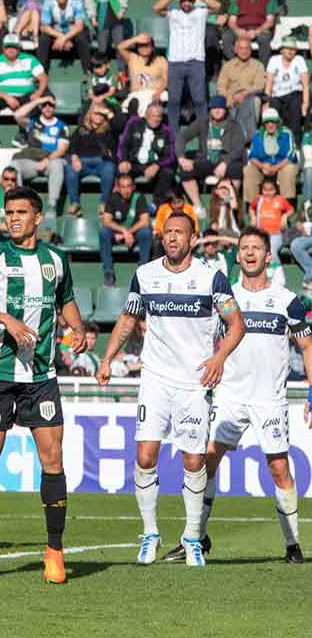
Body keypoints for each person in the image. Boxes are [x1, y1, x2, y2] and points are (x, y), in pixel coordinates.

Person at [97, 210, 245, 567]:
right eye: (167, 233)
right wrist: (107, 358)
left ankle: (192, 536)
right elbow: (129, 319)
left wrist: (219, 358)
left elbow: (236, 324)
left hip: (194, 383)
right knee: (145, 456)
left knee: (194, 460)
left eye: (180, 233)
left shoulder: (213, 278)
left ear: (193, 238)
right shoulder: (145, 275)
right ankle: (150, 533)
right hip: (155, 379)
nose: (173, 238)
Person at [0, 186, 87, 583]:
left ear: (37, 217)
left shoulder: (55, 260)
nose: (12, 218)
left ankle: (54, 551)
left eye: (20, 212)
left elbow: (66, 300)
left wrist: (76, 327)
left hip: (41, 376)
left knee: (53, 458)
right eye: (8, 211)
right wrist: (4, 319)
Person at [170, 229, 309, 565]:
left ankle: (292, 544)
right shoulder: (224, 299)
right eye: (244, 248)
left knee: (279, 468)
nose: (249, 253)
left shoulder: (287, 300)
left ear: (268, 256)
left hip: (269, 400)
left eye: (256, 248)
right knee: (206, 460)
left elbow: (307, 346)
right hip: (229, 396)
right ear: (239, 256)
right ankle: (196, 537)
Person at [156, 0, 217, 135]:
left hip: (196, 61)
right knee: (174, 101)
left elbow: (217, 6)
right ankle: (174, 137)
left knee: (200, 100)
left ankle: (204, 134)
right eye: (184, 0)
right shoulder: (173, 13)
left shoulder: (201, 12)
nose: (187, 3)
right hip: (175, 61)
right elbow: (156, 8)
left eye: (189, 0)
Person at [178, 95, 247, 208]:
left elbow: (239, 148)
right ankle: (198, 206)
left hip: (225, 161)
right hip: (206, 160)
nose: (217, 110)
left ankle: (230, 203)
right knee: (185, 170)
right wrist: (181, 158)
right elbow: (182, 137)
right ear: (210, 110)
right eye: (214, 108)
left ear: (225, 110)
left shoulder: (234, 126)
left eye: (220, 108)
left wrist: (225, 163)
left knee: (236, 169)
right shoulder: (202, 122)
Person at [0, 35, 47, 147]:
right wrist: (7, 97)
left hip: (26, 95)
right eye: (8, 47)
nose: (11, 49)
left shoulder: (30, 59)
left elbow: (43, 77)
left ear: (19, 48)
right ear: (3, 48)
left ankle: (22, 135)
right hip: (4, 96)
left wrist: (38, 93)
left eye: (14, 47)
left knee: (35, 101)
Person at [12, 93, 69, 215]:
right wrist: (39, 101)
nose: (48, 108)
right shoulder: (33, 123)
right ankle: (20, 203)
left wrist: (47, 160)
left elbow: (62, 149)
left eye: (51, 105)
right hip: (32, 161)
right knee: (14, 167)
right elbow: (17, 115)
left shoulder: (61, 126)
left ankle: (51, 206)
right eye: (44, 105)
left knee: (57, 164)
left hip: (51, 160)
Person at [99, 172, 153, 286]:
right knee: (104, 232)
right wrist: (124, 231)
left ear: (133, 187)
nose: (126, 190)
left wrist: (127, 233)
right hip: (117, 234)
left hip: (134, 233)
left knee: (146, 232)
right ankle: (108, 271)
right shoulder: (112, 198)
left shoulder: (139, 197)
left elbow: (145, 220)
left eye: (129, 186)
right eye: (123, 187)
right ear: (118, 188)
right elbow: (106, 220)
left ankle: (143, 270)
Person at [116, 104, 177, 201]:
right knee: (119, 170)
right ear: (146, 115)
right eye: (153, 116)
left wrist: (157, 165)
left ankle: (157, 204)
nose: (156, 119)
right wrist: (123, 160)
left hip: (153, 164)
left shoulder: (167, 131)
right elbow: (124, 144)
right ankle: (121, 203)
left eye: (159, 116)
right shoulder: (134, 123)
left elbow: (170, 155)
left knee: (168, 173)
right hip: (134, 162)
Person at [66, 105, 117, 209]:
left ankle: (104, 203)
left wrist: (107, 111)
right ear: (90, 115)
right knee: (70, 169)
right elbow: (72, 145)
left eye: (101, 114)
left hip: (102, 162)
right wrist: (75, 158)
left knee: (109, 169)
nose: (98, 116)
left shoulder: (109, 130)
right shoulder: (82, 129)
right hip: (82, 162)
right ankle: (74, 203)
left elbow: (119, 124)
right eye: (96, 113)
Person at [244, 107, 298, 202]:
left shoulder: (286, 133)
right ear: (263, 124)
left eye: (273, 122)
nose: (270, 125)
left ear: (277, 122)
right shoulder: (257, 135)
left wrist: (275, 167)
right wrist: (262, 166)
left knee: (289, 170)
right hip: (264, 166)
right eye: (267, 122)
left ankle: (287, 203)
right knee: (248, 170)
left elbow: (291, 154)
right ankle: (253, 205)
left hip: (282, 165)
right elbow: (252, 156)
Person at [224, 0, 277, 67]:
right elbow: (232, 21)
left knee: (264, 38)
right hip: (241, 28)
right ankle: (235, 66)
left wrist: (256, 32)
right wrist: (238, 30)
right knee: (226, 37)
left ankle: (262, 69)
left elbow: (270, 21)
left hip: (260, 28)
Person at [218, 37, 266, 139]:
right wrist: (227, 96)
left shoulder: (258, 65)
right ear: (235, 50)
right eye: (241, 48)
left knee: (255, 101)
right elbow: (221, 86)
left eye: (247, 48)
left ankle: (250, 136)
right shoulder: (228, 66)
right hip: (231, 98)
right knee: (220, 102)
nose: (244, 51)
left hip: (249, 96)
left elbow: (259, 86)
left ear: (251, 50)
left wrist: (244, 93)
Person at [39, 0, 91, 74]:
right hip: (57, 33)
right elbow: (45, 27)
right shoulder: (48, 2)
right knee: (43, 38)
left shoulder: (77, 1)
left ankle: (88, 71)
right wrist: (61, 37)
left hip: (74, 33)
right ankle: (42, 73)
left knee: (82, 37)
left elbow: (79, 26)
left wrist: (64, 38)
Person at [249, 177, 292, 257]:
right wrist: (253, 217)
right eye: (265, 190)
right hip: (261, 234)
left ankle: (277, 268)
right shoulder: (258, 199)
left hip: (276, 234)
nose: (268, 192)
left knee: (270, 250)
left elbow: (291, 209)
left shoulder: (280, 199)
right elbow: (251, 208)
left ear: (276, 189)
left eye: (271, 190)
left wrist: (284, 216)